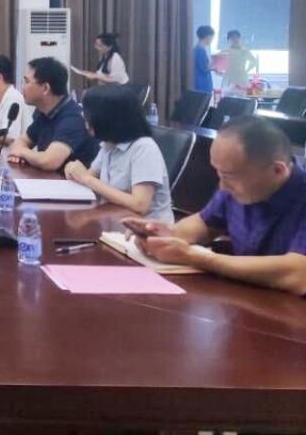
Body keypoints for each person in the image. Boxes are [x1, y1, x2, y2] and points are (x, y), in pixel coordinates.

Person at [124, 117, 306, 296]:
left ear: (277, 171)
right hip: (247, 298)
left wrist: (196, 258)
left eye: (229, 176)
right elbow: (204, 223)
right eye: (219, 173)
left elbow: (298, 274)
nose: (222, 186)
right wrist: (167, 235)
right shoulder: (238, 184)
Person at [64, 86, 174, 223]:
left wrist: (86, 179)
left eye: (87, 114)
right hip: (114, 220)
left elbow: (140, 205)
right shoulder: (109, 144)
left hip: (147, 229)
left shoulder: (144, 148)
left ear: (106, 118)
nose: (83, 117)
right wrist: (74, 172)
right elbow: (89, 176)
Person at [8, 57, 100, 172]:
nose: (22, 87)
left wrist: (22, 152)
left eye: (26, 82)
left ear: (45, 88)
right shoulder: (44, 112)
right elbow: (22, 141)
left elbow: (49, 161)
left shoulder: (73, 118)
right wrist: (20, 152)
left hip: (72, 182)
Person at [193, 25, 216, 94]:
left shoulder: (196, 49)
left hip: (198, 83)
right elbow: (204, 68)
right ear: (208, 36)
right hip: (202, 84)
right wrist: (214, 64)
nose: (212, 39)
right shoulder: (200, 51)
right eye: (212, 37)